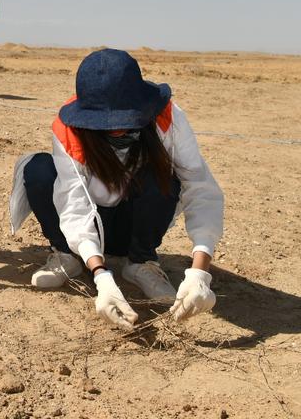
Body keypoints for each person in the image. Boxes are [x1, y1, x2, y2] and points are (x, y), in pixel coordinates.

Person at [18, 49, 224, 330]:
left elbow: (199, 187)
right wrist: (101, 276)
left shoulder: (167, 118)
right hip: (90, 227)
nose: (115, 130)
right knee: (39, 170)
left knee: (163, 172)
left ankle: (140, 262)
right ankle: (68, 256)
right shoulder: (68, 129)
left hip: (131, 224)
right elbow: (73, 204)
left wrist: (200, 271)